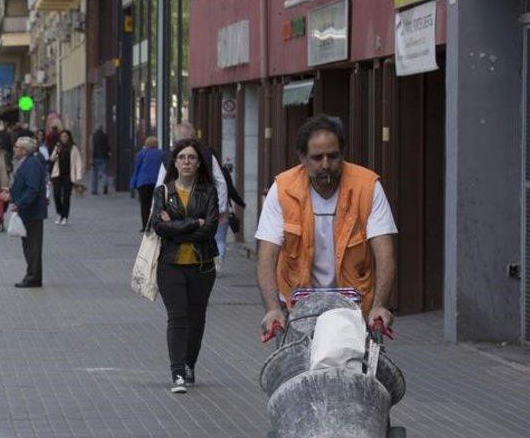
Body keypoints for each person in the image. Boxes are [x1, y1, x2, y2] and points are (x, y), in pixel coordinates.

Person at [256, 115, 398, 339]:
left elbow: (385, 253)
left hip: (355, 307)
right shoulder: (283, 189)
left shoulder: (368, 186)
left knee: (357, 371)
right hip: (298, 308)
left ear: (342, 153)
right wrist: (273, 309)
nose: (325, 165)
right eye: (317, 157)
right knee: (298, 372)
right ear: (302, 158)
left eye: (332, 156)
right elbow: (267, 254)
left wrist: (380, 305)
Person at [151, 139, 221, 394]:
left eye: (192, 157)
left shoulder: (208, 192)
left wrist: (177, 227)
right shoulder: (163, 192)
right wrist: (194, 223)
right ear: (175, 162)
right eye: (182, 157)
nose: (187, 162)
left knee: (197, 319)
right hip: (170, 266)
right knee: (177, 317)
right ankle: (178, 372)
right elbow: (159, 227)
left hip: (202, 266)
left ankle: (190, 364)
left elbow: (210, 229)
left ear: (199, 162)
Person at [156, 123, 228, 252]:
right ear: (194, 136)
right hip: (200, 206)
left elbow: (160, 185)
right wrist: (221, 208)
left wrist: (156, 211)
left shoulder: (170, 156)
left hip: (176, 208)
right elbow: (220, 182)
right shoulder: (207, 154)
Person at [1, 136, 48, 287]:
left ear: (23, 150)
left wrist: (19, 204)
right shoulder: (26, 163)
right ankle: (32, 275)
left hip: (32, 212)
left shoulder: (32, 164)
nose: (14, 149)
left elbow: (32, 189)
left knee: (32, 246)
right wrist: (11, 192)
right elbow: (24, 186)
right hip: (27, 210)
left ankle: (33, 277)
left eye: (16, 147)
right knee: (28, 245)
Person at [49, 129, 84, 225]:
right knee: (56, 194)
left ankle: (65, 216)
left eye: (65, 136)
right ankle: (59, 213)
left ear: (69, 137)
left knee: (66, 196)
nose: (63, 138)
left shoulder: (73, 148)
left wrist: (78, 177)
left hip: (68, 176)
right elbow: (51, 158)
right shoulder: (58, 147)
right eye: (62, 136)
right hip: (57, 175)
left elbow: (78, 163)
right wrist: (57, 152)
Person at [130, 137, 163, 230]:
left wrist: (133, 183)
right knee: (156, 204)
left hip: (143, 182)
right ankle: (156, 224)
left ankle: (145, 226)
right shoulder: (161, 154)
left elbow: (136, 169)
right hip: (156, 182)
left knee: (144, 205)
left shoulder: (140, 154)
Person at [91, 125, 112, 195]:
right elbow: (108, 145)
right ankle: (105, 185)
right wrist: (109, 152)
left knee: (95, 174)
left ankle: (94, 190)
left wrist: (92, 158)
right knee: (104, 173)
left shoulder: (94, 136)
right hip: (104, 157)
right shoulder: (105, 136)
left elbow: (94, 147)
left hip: (96, 157)